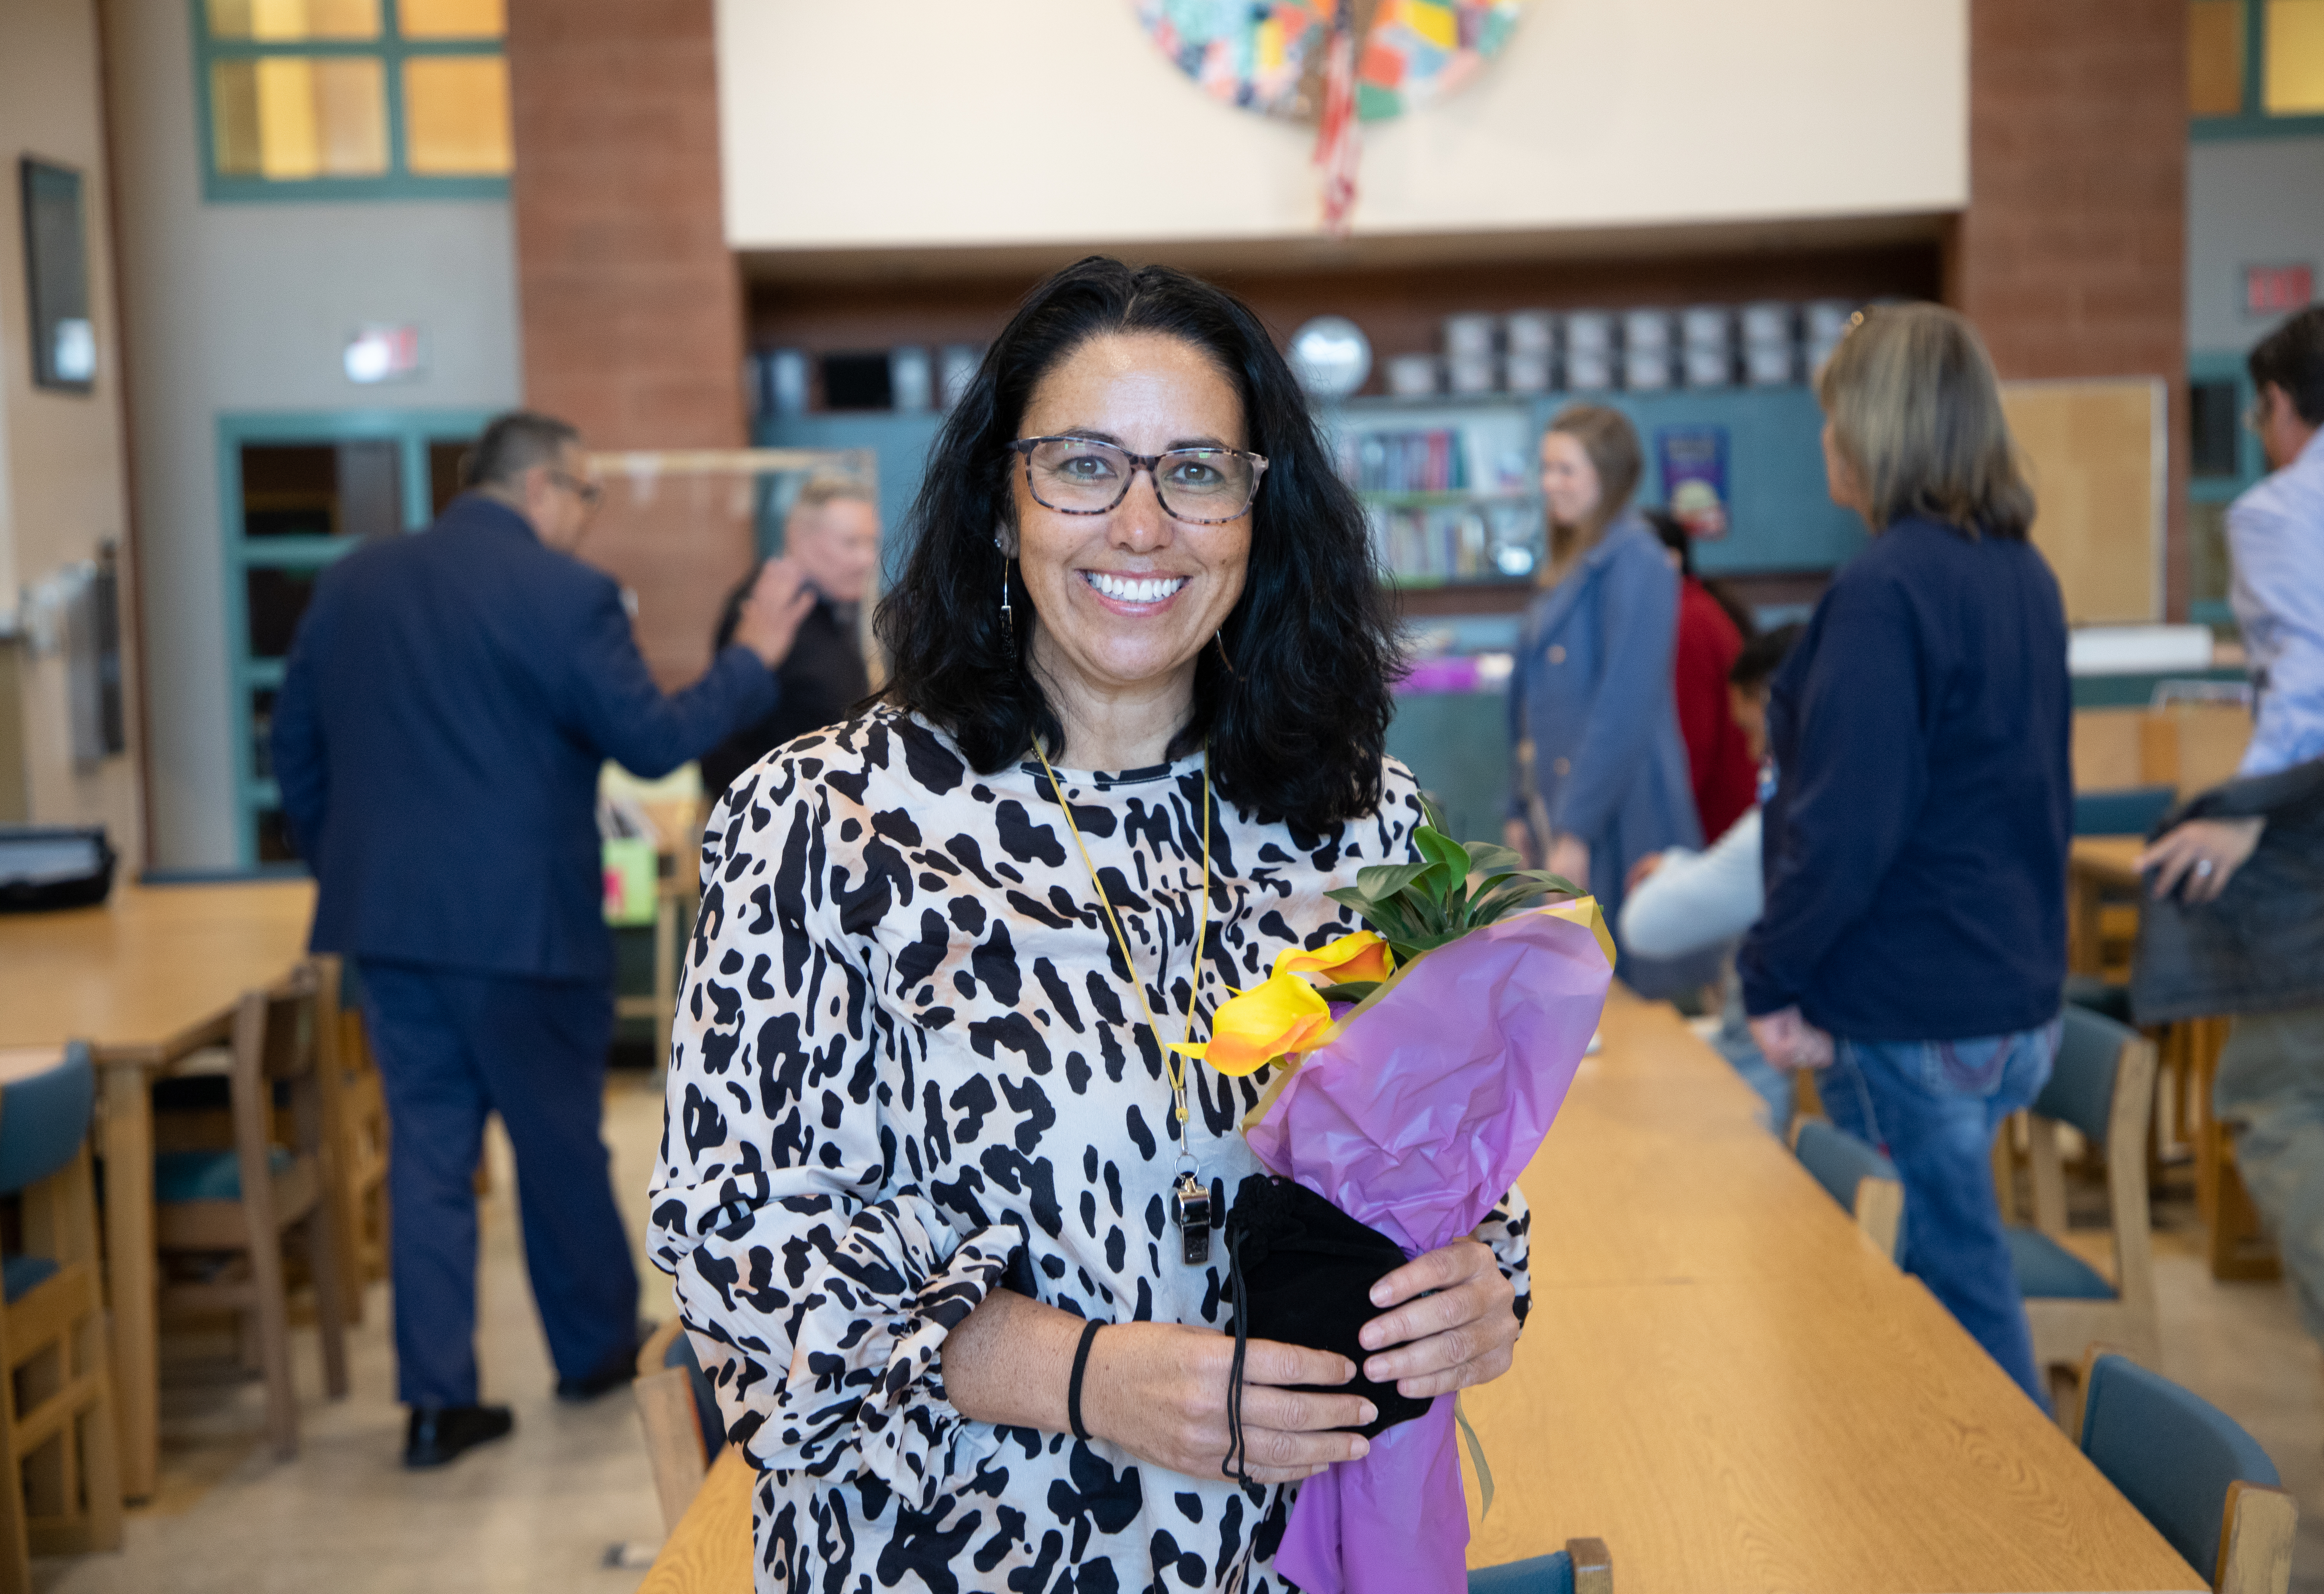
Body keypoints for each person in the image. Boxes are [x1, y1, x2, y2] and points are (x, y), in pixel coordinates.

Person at [647, 259, 1532, 1594]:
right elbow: (739, 1251)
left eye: (1196, 471)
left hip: (1298, 1557)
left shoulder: (1360, 832)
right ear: (1003, 507)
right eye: (1082, 467)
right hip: (951, 1558)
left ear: (1255, 512)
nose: (1141, 523)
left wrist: (1479, 1293)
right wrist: (1084, 1377)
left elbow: (1466, 1175)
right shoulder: (824, 823)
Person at [271, 411, 811, 1468]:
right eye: (589, 496)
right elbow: (652, 739)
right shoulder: (567, 596)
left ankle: (436, 1407)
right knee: (557, 1145)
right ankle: (595, 1355)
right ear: (544, 490)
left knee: (428, 1162)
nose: (587, 519)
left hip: (390, 927)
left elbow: (293, 742)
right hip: (526, 930)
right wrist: (753, 662)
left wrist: (347, 869)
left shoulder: (354, 581)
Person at [1736, 304, 2070, 1408]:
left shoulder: (1886, 591)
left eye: (1836, 416)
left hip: (1914, 1005)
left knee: (1954, 1304)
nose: (1824, 439)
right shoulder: (2020, 572)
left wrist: (1771, 974)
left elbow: (1848, 823)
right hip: (2008, 994)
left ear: (1876, 432)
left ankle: (2019, 1557)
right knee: (1944, 1280)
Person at [2137, 303, 2324, 1511]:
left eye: (2258, 408)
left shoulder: (2287, 505)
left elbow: (2319, 686)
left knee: (2269, 1100)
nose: (2258, 430)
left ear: (2285, 406)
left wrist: (2244, 806)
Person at [1504, 404, 1701, 993]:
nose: (1549, 485)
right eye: (1545, 469)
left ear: (1608, 476)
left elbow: (1623, 707)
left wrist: (1576, 830)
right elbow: (1533, 705)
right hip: (1563, 806)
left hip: (1617, 808)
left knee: (1626, 996)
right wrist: (1519, 805)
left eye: (1566, 470)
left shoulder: (1637, 559)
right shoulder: (1570, 560)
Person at [1620, 623, 1804, 1130]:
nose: (1750, 755)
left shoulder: (1785, 822)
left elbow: (1646, 926)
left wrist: (1676, 871)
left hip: (1757, 1095)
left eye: (1751, 730)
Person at [700, 470, 881, 799]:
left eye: (872, 542)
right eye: (851, 543)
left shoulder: (830, 606)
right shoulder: (764, 611)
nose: (867, 560)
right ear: (799, 538)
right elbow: (723, 739)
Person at [1646, 508, 1758, 844]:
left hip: (1714, 825)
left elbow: (1692, 747)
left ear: (1672, 560)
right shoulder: (1693, 609)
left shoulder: (1686, 623)